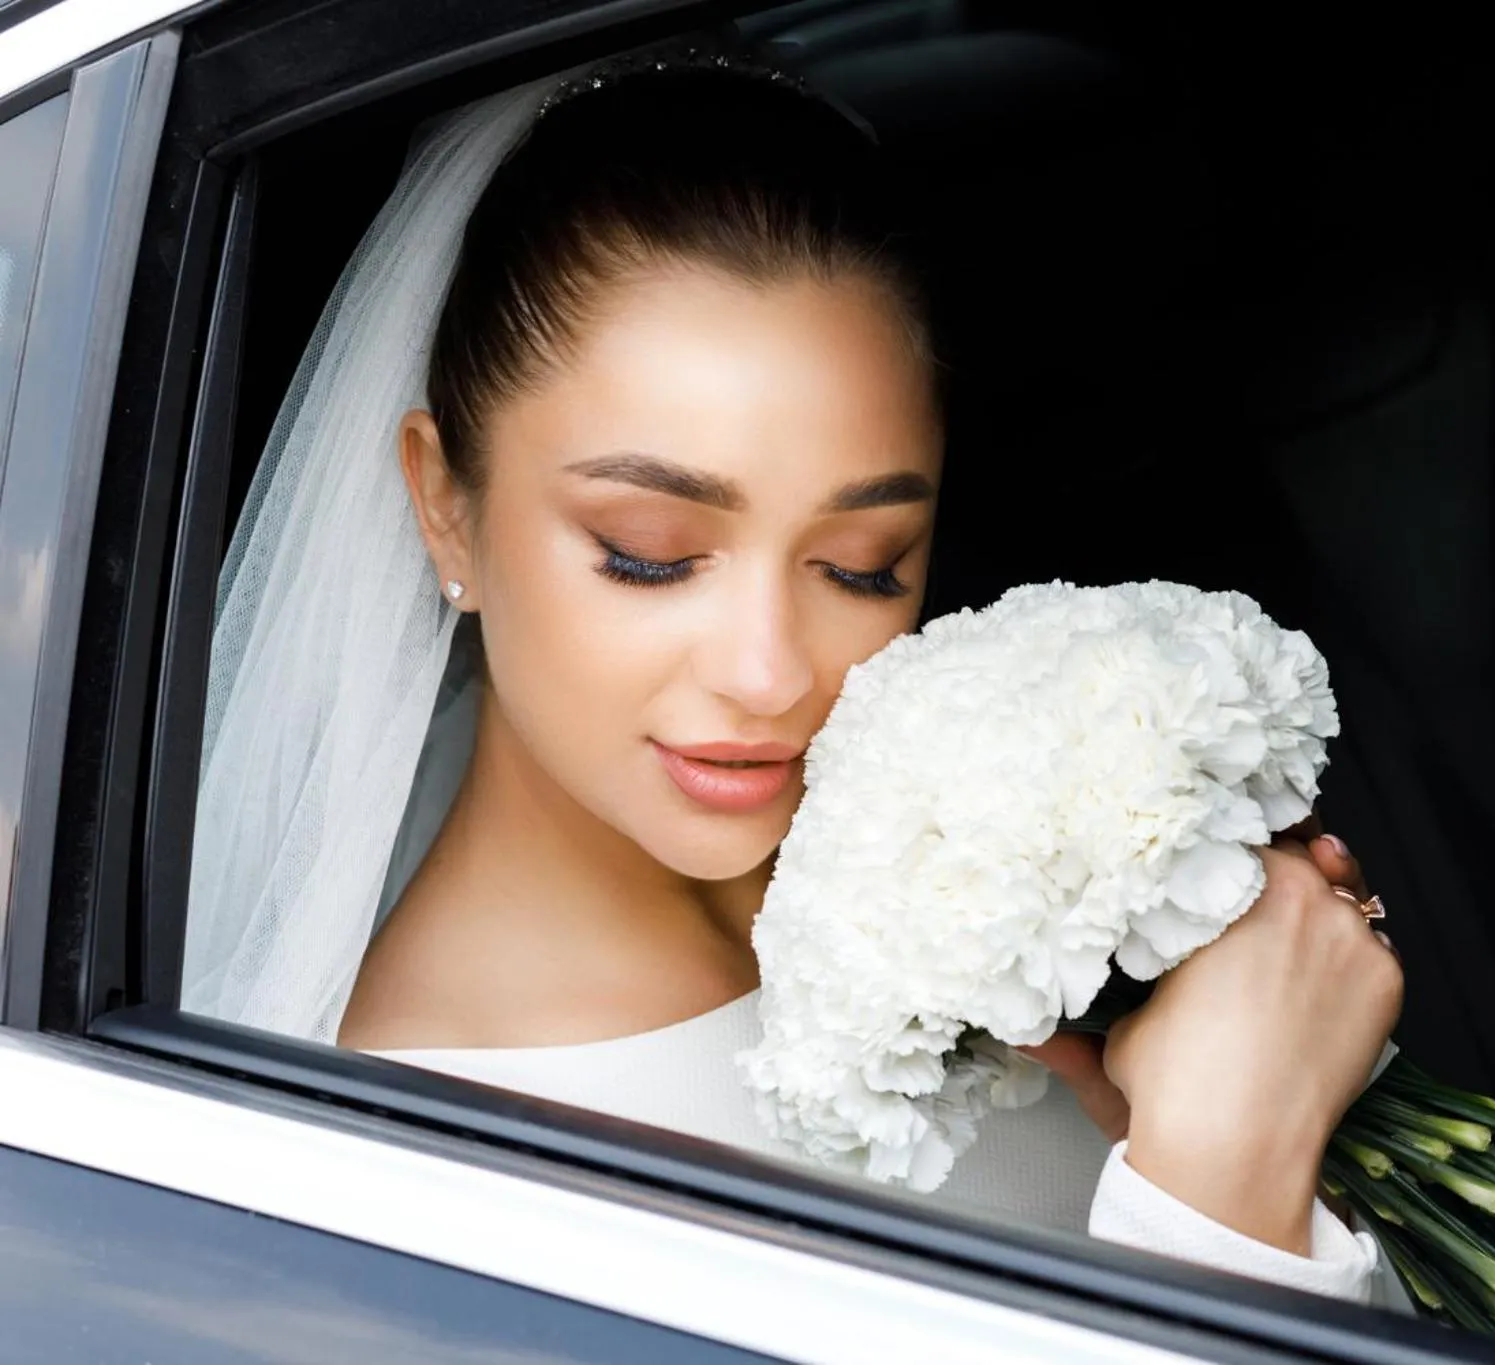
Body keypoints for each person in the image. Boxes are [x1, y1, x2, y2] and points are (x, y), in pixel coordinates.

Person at [185, 48, 1407, 1306]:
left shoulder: (992, 871)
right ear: (446, 507)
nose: (770, 676)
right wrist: (1221, 1200)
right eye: (648, 557)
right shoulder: (414, 1187)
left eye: (862, 565)